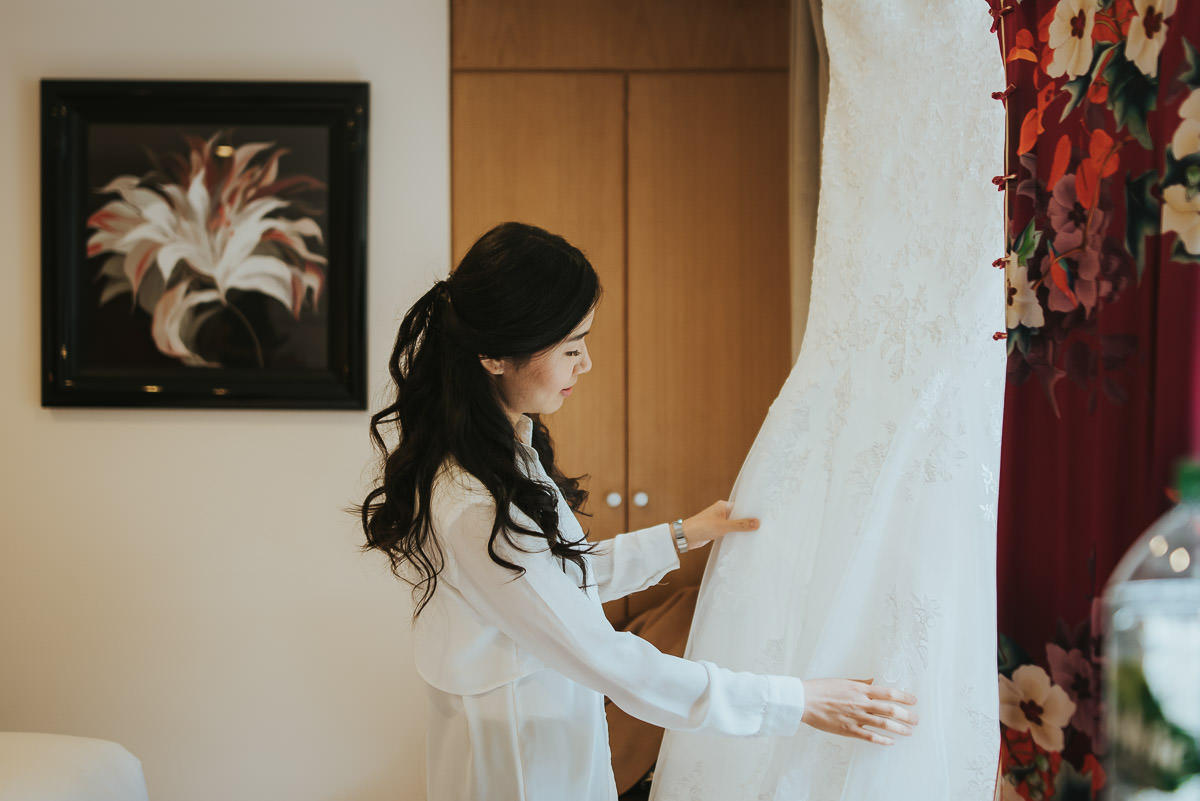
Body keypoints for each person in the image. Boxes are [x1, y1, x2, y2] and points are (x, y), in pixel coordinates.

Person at [360, 221, 918, 801]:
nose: (587, 364)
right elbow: (608, 659)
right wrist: (797, 700)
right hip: (524, 759)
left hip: (542, 728)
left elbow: (556, 577)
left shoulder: (497, 452)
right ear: (495, 356)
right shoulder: (473, 502)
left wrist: (682, 535)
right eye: (572, 348)